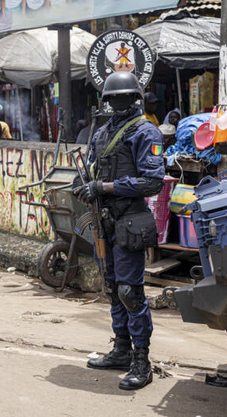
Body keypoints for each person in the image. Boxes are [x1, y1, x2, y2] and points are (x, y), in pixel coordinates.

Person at [73, 71, 164, 391]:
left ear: (135, 98)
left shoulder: (145, 132)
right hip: (104, 222)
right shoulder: (102, 132)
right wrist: (83, 186)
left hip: (129, 220)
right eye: (113, 97)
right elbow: (93, 169)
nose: (117, 102)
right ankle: (122, 350)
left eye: (123, 97)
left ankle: (143, 360)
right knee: (112, 287)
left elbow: (152, 182)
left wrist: (105, 186)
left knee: (130, 291)